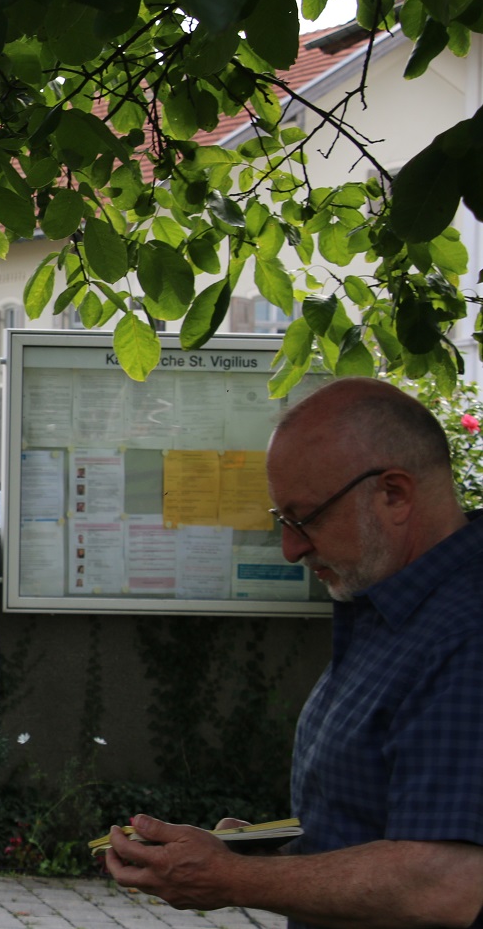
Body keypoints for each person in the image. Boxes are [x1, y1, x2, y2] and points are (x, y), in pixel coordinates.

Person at [105, 378, 483, 929]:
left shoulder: (466, 631)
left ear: (395, 495)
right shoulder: (390, 603)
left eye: (306, 518)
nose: (291, 548)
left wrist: (232, 879)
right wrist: (266, 856)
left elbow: (450, 882)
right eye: (283, 521)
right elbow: (362, 821)